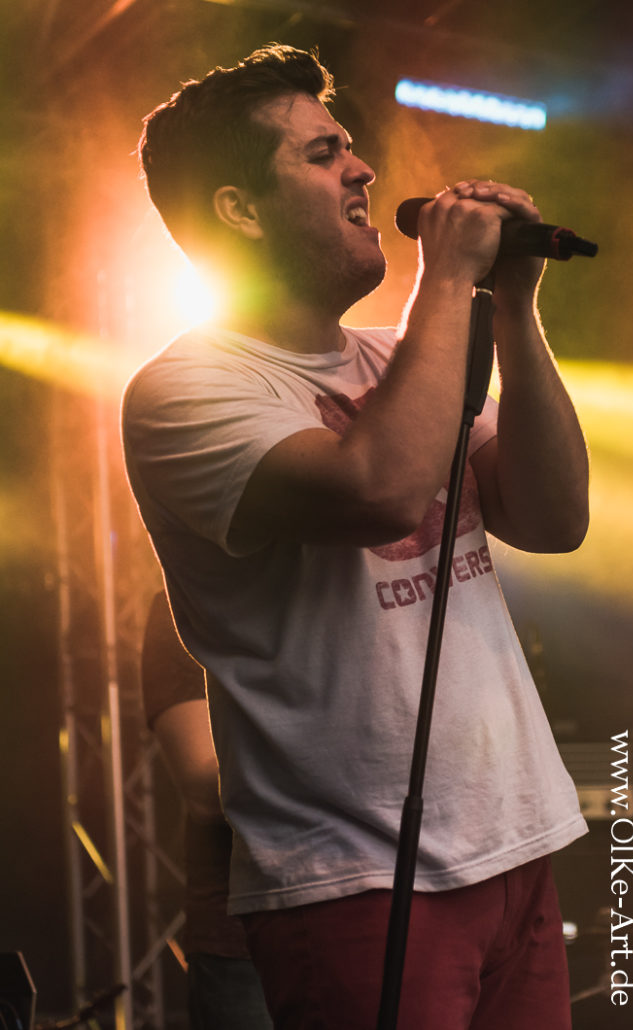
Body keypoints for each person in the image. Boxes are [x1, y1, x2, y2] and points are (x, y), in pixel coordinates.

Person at [122, 43, 590, 1029]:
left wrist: (512, 310)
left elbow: (554, 518)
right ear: (240, 209)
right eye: (322, 153)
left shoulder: (397, 359)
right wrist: (445, 281)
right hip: (357, 881)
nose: (363, 169)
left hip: (515, 844)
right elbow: (380, 491)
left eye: (350, 147)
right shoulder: (184, 391)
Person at [141, 590, 272, 1029]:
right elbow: (204, 790)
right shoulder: (181, 607)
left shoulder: (344, 599)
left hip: (376, 918)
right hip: (244, 941)